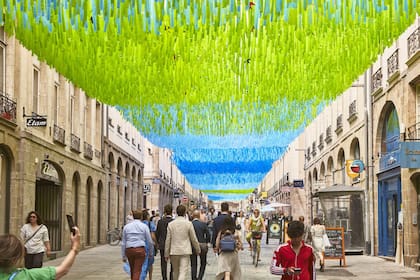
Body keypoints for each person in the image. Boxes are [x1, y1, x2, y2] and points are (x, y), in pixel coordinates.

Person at [0, 226, 81, 279]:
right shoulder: (27, 276)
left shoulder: (43, 228)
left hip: (38, 250)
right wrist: (74, 248)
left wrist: (47, 248)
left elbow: (46, 239)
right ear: (17, 257)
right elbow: (63, 269)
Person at [164, 204, 200, 280]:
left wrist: (166, 253)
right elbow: (193, 238)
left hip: (174, 251)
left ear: (176, 212)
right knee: (183, 271)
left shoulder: (171, 224)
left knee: (175, 272)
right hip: (185, 250)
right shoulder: (188, 224)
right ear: (184, 213)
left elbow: (168, 239)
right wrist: (197, 249)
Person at [121, 210, 154, 280]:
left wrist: (123, 255)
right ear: (141, 217)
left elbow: (123, 242)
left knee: (132, 269)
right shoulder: (144, 226)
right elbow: (150, 241)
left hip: (129, 249)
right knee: (137, 270)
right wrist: (151, 253)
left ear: (133, 216)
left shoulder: (126, 227)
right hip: (140, 249)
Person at [215, 215, 243, 280]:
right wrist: (238, 247)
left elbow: (217, 244)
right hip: (233, 254)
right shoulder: (235, 232)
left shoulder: (221, 232)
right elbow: (240, 246)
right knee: (232, 274)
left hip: (223, 254)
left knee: (226, 273)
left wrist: (218, 248)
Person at [190, 210, 210, 280]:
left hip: (192, 245)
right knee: (203, 262)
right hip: (202, 245)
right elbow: (208, 234)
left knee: (193, 264)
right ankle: (200, 277)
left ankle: (193, 278)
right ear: (199, 216)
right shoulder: (203, 224)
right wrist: (207, 242)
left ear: (193, 216)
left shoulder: (190, 224)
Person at [156, 204, 174, 280]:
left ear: (165, 211)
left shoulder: (160, 222)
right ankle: (171, 277)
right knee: (173, 263)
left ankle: (164, 278)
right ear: (172, 212)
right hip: (172, 245)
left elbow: (157, 233)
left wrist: (158, 242)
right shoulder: (174, 222)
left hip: (163, 244)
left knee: (163, 263)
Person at [141, 210, 158, 280]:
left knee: (142, 263)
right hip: (149, 246)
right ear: (147, 216)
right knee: (150, 264)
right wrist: (156, 243)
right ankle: (150, 278)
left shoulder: (140, 224)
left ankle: (142, 276)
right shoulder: (150, 224)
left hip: (141, 246)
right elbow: (153, 236)